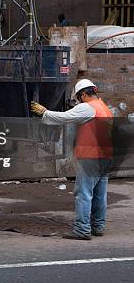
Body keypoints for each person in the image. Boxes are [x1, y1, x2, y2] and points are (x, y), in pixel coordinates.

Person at [31, 79, 113, 240]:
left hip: (91, 158)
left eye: (78, 97)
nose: (78, 101)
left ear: (83, 95)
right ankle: (98, 226)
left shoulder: (87, 107)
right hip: (105, 157)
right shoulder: (104, 107)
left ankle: (82, 230)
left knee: (83, 193)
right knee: (99, 194)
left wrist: (44, 112)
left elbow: (65, 117)